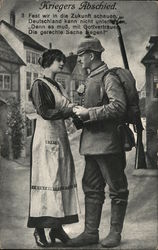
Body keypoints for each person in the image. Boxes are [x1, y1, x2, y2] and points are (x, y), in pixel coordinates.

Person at [66, 32, 129, 248]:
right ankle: (91, 233)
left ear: (91, 55)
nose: (79, 59)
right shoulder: (90, 78)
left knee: (117, 189)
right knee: (92, 189)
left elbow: (118, 107)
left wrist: (89, 113)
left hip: (108, 144)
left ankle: (115, 234)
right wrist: (77, 114)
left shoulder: (108, 77)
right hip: (91, 144)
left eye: (81, 55)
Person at [27, 49, 79, 247]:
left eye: (63, 60)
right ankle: (39, 230)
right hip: (46, 139)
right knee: (46, 182)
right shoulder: (38, 85)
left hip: (60, 137)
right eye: (59, 60)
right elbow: (45, 112)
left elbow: (66, 105)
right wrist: (69, 110)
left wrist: (76, 109)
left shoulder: (57, 85)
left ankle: (56, 229)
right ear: (48, 62)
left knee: (61, 179)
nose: (62, 63)